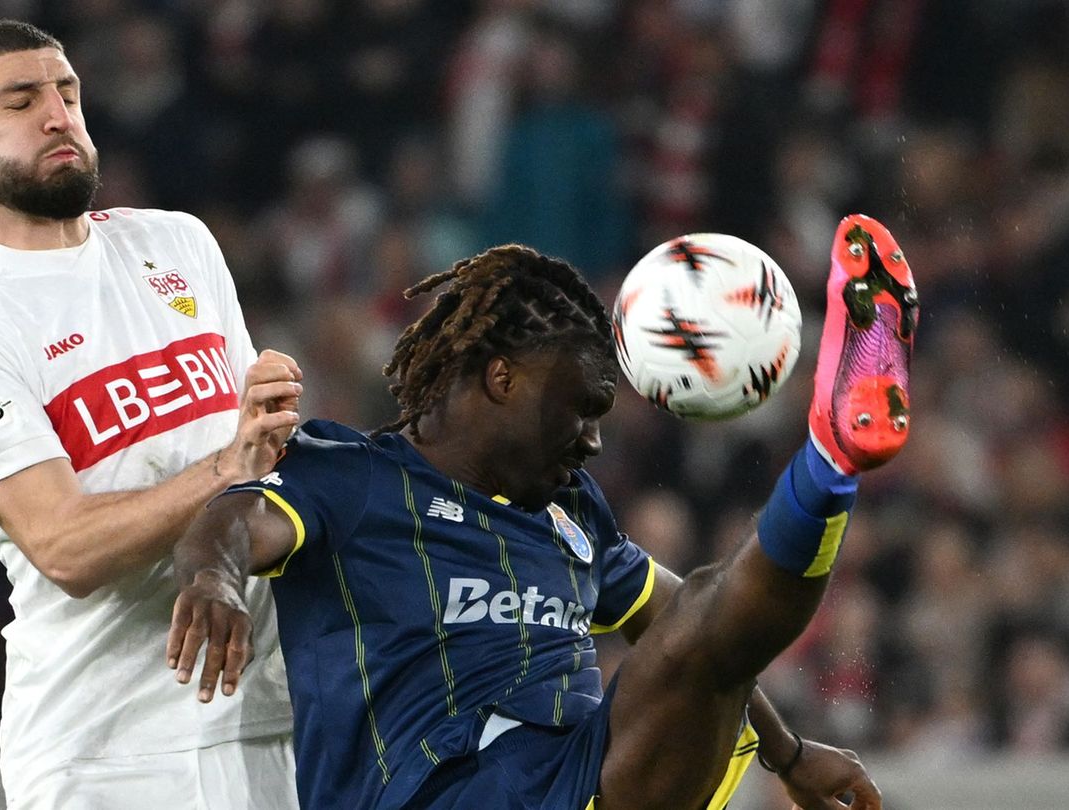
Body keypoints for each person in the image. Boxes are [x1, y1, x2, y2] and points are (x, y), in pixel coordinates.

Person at [166, 215, 918, 809]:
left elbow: (693, 623)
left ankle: (829, 460)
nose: (592, 442)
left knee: (700, 617)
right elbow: (235, 521)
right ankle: (825, 465)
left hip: (582, 780)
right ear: (503, 378)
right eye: (582, 410)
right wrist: (216, 579)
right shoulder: (352, 478)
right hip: (439, 794)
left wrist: (786, 755)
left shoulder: (570, 514)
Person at [0, 20, 300, 808]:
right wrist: (229, 466)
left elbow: (258, 467)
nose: (58, 114)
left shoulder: (179, 245)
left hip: (266, 717)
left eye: (67, 92)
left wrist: (261, 452)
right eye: (20, 101)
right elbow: (64, 545)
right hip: (107, 747)